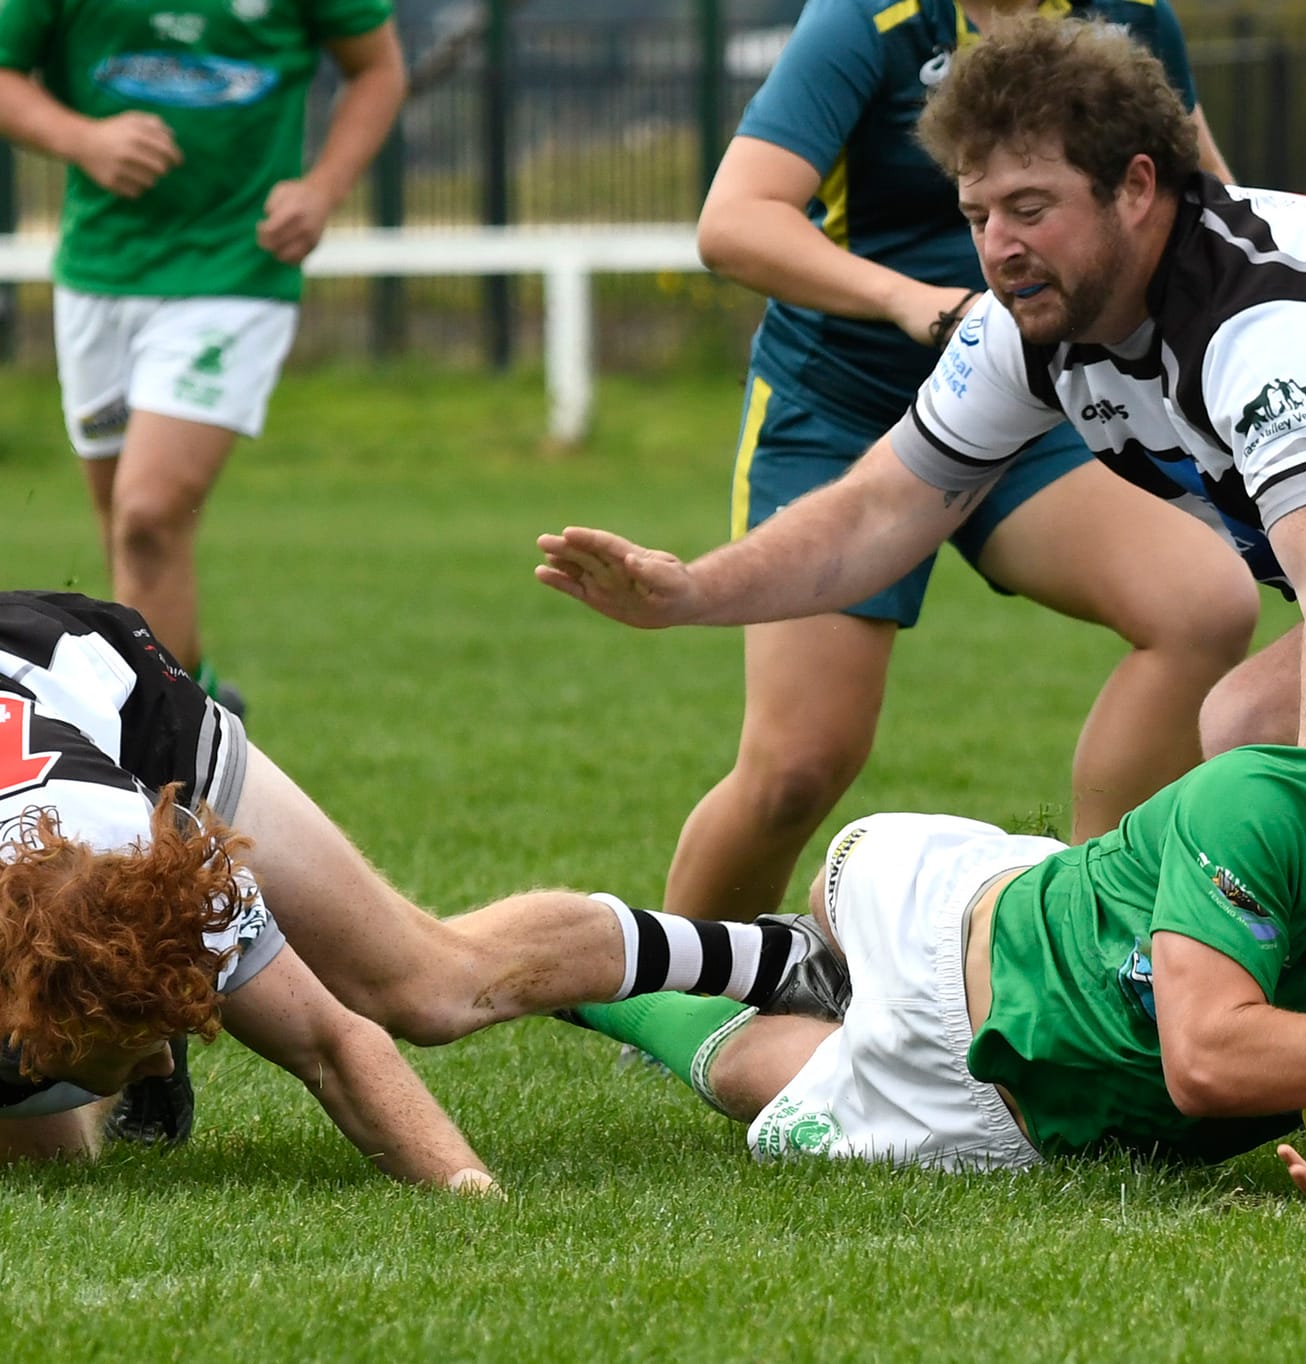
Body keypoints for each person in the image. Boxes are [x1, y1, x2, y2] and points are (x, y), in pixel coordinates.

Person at [538, 16, 1306, 778]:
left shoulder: (1257, 324)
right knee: (1288, 774)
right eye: (976, 212)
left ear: (1139, 186)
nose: (997, 247)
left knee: (1254, 736)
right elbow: (880, 513)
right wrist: (689, 592)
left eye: (1029, 207)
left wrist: (1296, 821)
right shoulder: (1030, 317)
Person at [563, 684, 1306, 1209]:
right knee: (818, 951)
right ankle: (659, 956)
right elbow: (1206, 1062)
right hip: (950, 917)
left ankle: (609, 989)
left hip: (1017, 1113)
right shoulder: (1264, 799)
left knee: (749, 1067)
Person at [660, 0, 1256, 923]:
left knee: (1202, 607)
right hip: (839, 407)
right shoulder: (868, 23)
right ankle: (672, 999)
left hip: (1031, 396)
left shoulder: (1130, 17)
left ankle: (1090, 931)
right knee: (798, 766)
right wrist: (911, 302)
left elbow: (1207, 206)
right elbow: (733, 223)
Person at [0, 591, 846, 1174]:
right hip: (45, 803)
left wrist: (475, 1204)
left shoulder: (170, 862)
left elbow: (337, 1046)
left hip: (92, 686)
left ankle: (771, 955)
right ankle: (130, 1023)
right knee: (49, 1157)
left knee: (424, 986)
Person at [0, 0, 408, 715]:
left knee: (148, 515)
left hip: (236, 271)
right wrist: (84, 139)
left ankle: (163, 782)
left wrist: (322, 189)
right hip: (101, 275)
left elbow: (376, 67)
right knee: (128, 539)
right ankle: (204, 703)